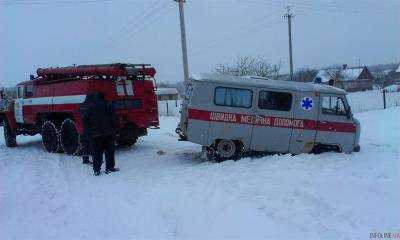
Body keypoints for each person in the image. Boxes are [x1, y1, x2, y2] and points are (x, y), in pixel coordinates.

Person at [82, 92, 119, 176]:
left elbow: (85, 120)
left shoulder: (90, 107)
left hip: (95, 135)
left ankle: (96, 170)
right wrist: (115, 131)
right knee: (109, 152)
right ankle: (109, 168)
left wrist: (88, 133)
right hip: (108, 133)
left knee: (96, 152)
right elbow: (114, 119)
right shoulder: (108, 105)